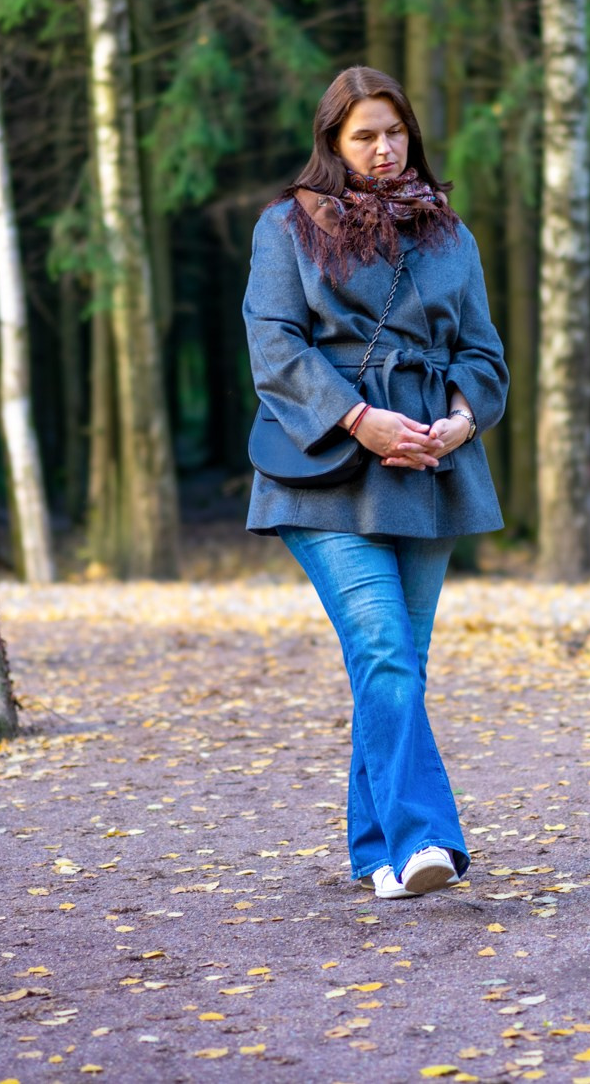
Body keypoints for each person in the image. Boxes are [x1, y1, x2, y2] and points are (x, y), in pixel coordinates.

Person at [244, 66, 509, 900]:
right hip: (324, 471)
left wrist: (462, 421)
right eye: (364, 135)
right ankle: (427, 838)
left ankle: (376, 851)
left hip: (430, 468)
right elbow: (275, 348)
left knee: (395, 664)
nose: (384, 149)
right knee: (386, 652)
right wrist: (361, 419)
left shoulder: (448, 236)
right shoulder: (287, 225)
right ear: (332, 142)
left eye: (394, 131)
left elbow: (483, 352)